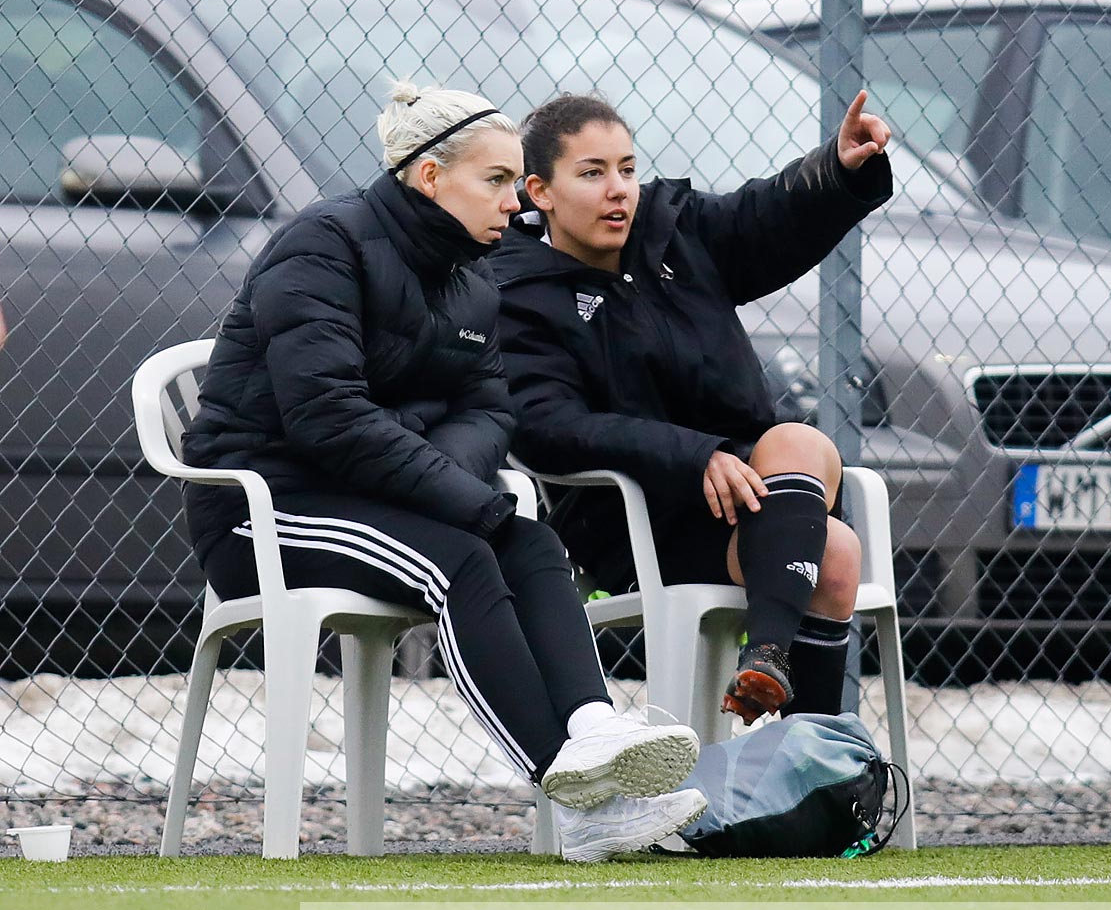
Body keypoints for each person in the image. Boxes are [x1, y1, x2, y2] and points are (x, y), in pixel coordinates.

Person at [181, 81, 706, 863]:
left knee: (527, 541)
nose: (514, 204)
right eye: (495, 181)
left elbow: (490, 409)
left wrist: (447, 485)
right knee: (462, 556)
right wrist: (457, 495)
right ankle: (579, 800)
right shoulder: (321, 244)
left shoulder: (472, 277)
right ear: (430, 177)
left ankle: (593, 729)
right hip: (264, 509)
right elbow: (325, 416)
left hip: (375, 499)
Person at [492, 90, 893, 725]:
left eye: (626, 168)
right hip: (639, 516)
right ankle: (803, 768)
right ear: (539, 191)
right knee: (834, 550)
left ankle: (770, 669)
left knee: (807, 458)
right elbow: (546, 427)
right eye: (592, 173)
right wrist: (691, 453)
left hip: (750, 491)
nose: (619, 189)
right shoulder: (515, 290)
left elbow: (766, 216)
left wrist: (838, 169)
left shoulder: (673, 230)